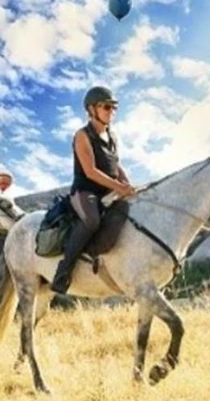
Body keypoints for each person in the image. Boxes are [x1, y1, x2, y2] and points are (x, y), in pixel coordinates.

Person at [49, 86, 137, 294]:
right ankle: (63, 271)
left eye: (113, 108)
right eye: (106, 107)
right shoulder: (82, 135)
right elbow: (90, 171)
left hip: (108, 191)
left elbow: (116, 165)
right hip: (84, 192)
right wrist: (119, 187)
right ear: (91, 109)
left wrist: (128, 185)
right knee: (92, 220)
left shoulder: (112, 136)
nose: (111, 112)